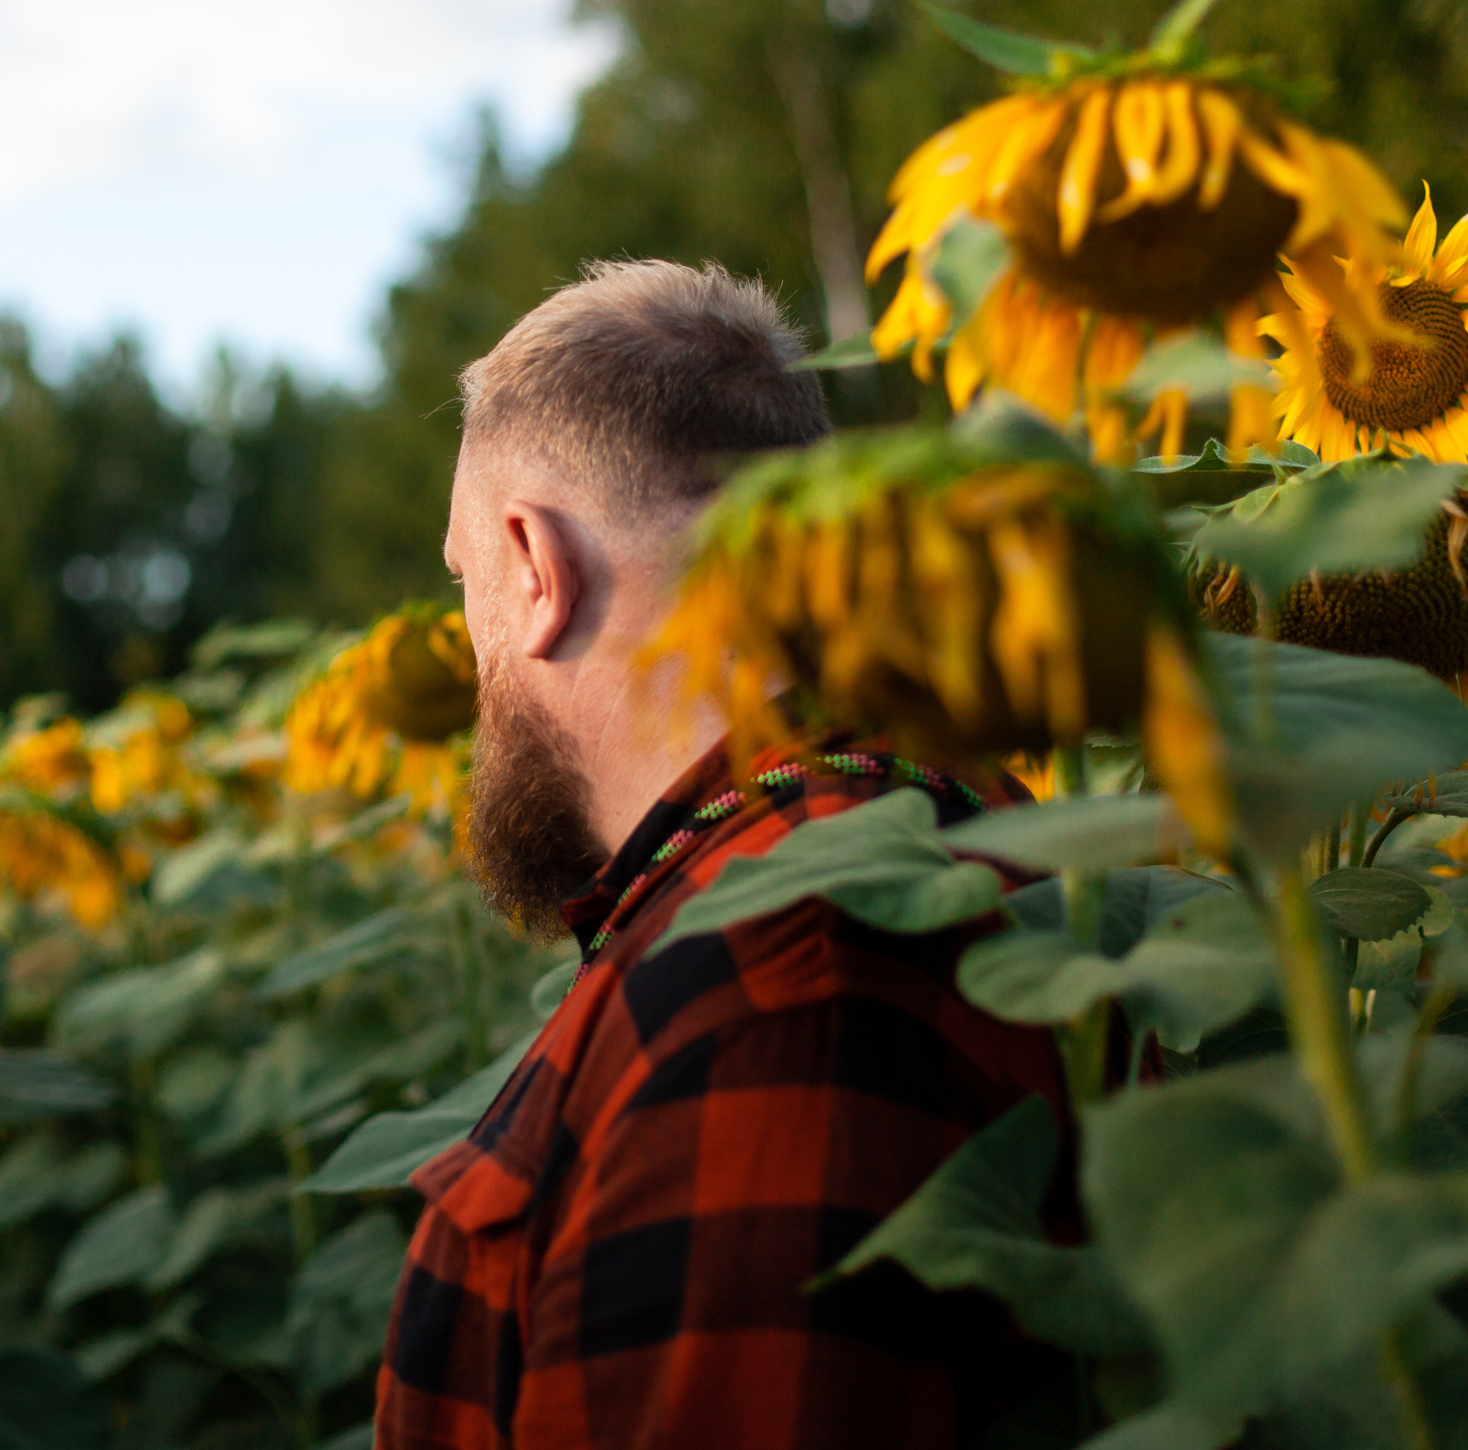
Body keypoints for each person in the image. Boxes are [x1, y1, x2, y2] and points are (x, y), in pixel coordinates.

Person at [376, 261, 1076, 1448]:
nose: (470, 645)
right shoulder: (957, 824)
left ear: (534, 566)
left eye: (466, 586)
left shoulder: (775, 970)